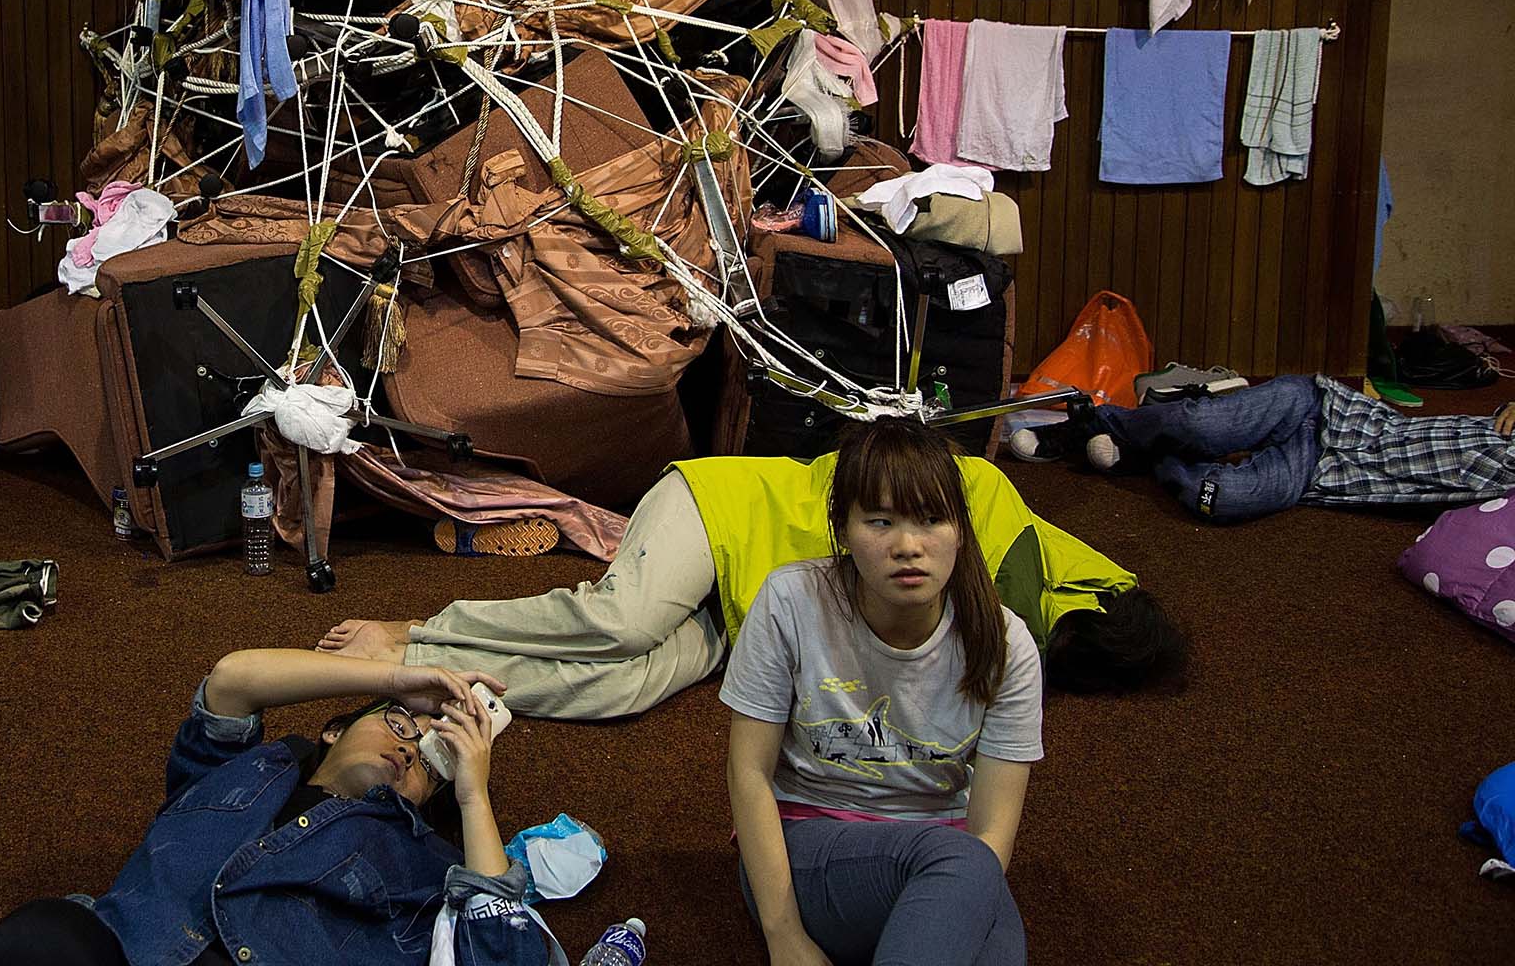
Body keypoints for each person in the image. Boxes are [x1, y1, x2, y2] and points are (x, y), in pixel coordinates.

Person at [319, 435, 1183, 720]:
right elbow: (1117, 592)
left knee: (632, 687)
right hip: (723, 508)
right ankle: (417, 631)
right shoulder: (981, 499)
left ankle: (427, 682)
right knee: (624, 621)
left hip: (751, 612)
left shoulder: (1007, 632)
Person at [0, 649, 549, 966]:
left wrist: (473, 793)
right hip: (126, 948)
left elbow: (506, 956)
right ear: (333, 730)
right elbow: (231, 680)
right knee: (42, 937)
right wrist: (398, 676)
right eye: (397, 723)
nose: (407, 748)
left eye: (428, 762)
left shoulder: (421, 859)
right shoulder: (244, 767)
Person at [725, 419, 1039, 966]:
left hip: (947, 859)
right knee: (962, 864)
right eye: (880, 521)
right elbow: (749, 771)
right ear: (842, 530)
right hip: (804, 846)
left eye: (931, 519)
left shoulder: (1005, 643)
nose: (908, 546)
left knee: (994, 938)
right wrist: (785, 936)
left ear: (961, 530)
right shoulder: (791, 601)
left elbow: (992, 829)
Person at [1024, 375, 1515, 523]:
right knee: (1206, 428)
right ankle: (1090, 423)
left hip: (1318, 473)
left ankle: (1144, 453)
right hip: (1330, 411)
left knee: (1217, 498)